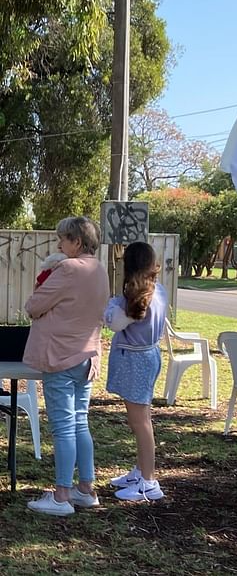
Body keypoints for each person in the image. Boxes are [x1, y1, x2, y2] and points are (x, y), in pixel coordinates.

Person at [23, 216, 110, 516]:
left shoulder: (67, 269)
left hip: (60, 356)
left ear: (76, 241)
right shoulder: (99, 270)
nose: (59, 244)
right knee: (79, 422)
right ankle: (85, 488)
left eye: (63, 239)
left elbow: (34, 305)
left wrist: (46, 272)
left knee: (62, 428)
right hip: (87, 357)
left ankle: (61, 496)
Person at [104, 241, 168, 502]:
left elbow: (114, 323)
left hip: (136, 361)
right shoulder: (159, 289)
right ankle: (141, 470)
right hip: (148, 357)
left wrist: (110, 306)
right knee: (141, 418)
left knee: (140, 422)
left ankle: (148, 481)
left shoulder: (136, 296)